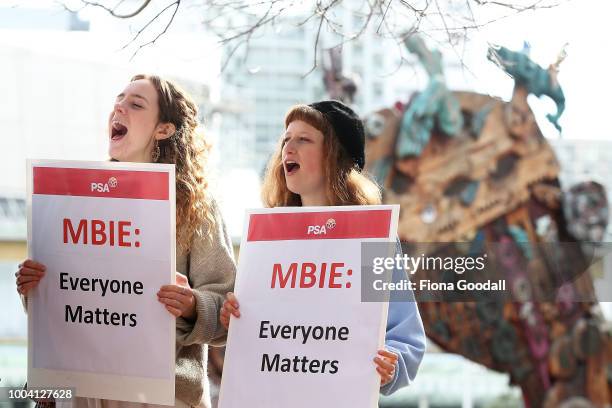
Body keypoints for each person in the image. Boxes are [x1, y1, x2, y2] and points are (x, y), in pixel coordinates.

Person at [15, 74, 236, 408]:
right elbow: (72, 300)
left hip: (159, 396)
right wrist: (35, 289)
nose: (119, 107)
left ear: (164, 128)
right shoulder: (76, 201)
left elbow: (228, 318)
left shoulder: (195, 209)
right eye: (118, 99)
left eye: (136, 103)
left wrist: (192, 306)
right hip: (81, 391)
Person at [220, 101, 426, 395]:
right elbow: (262, 331)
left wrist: (392, 364)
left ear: (335, 156)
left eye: (303, 139)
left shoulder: (371, 239)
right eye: (286, 139)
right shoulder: (267, 239)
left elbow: (406, 337)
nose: (288, 149)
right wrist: (237, 318)